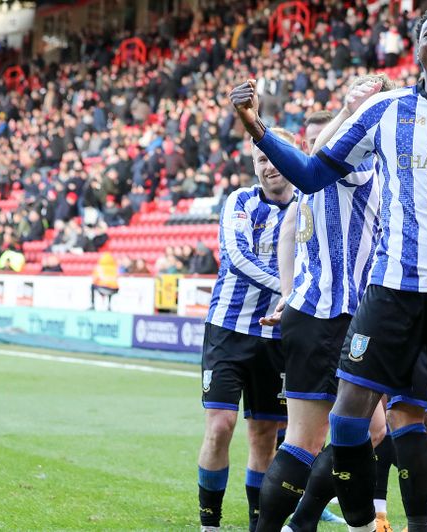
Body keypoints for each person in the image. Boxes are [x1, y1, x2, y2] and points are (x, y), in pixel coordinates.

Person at [231, 5, 427, 532]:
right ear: (419, 50)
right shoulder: (383, 111)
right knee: (347, 418)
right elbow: (312, 175)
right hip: (392, 289)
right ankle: (361, 521)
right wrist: (258, 130)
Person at [245, 77, 392, 532]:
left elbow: (294, 214)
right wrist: (350, 112)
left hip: (313, 312)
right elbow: (312, 163)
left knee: (362, 432)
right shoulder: (357, 165)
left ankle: (300, 523)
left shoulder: (329, 168)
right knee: (317, 438)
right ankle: (292, 524)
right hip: (337, 315)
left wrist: (288, 292)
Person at [196, 127, 297, 532]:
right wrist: (288, 289)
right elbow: (237, 257)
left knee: (264, 437)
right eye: (261, 161)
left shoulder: (308, 206)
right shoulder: (239, 201)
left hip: (276, 338)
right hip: (228, 329)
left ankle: (260, 525)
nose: (269, 166)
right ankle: (211, 525)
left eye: (275, 158)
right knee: (220, 426)